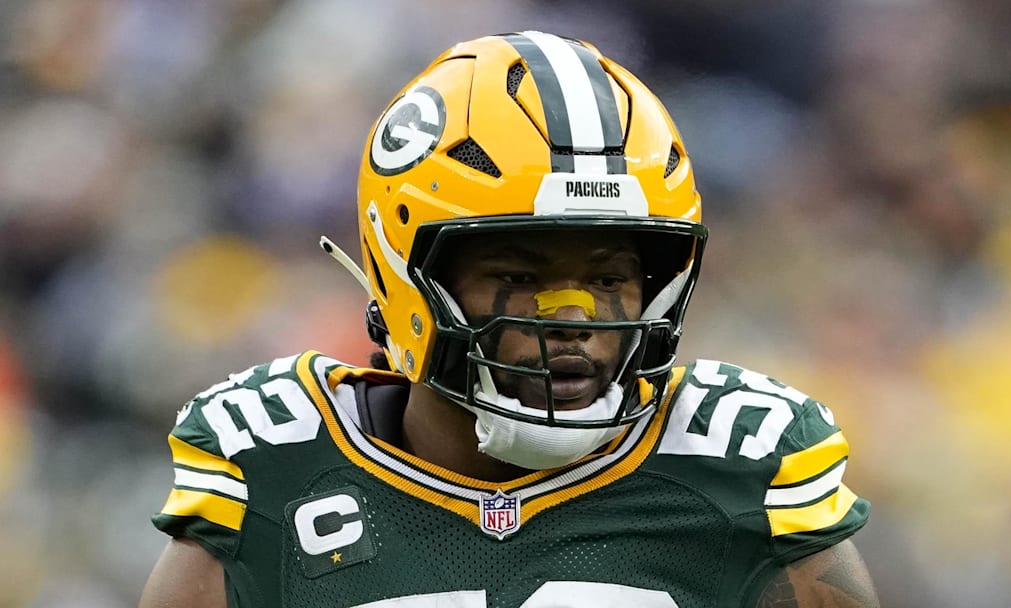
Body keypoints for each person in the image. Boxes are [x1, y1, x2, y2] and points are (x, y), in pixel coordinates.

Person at [139, 31, 879, 608]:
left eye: (609, 276)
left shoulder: (740, 474)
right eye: (520, 276)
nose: (574, 316)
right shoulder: (272, 473)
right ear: (410, 279)